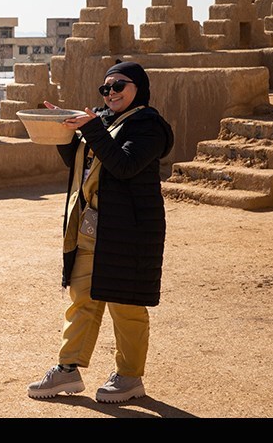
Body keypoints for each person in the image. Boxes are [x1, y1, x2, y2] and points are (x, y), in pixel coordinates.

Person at [27, 60, 174, 404]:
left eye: (119, 86)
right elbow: (81, 162)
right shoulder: (102, 122)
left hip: (128, 230)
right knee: (81, 298)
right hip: (91, 226)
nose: (111, 93)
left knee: (126, 306)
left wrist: (91, 127)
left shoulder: (148, 126)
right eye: (105, 88)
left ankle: (129, 376)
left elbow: (123, 165)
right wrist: (64, 129)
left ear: (139, 88)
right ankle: (68, 368)